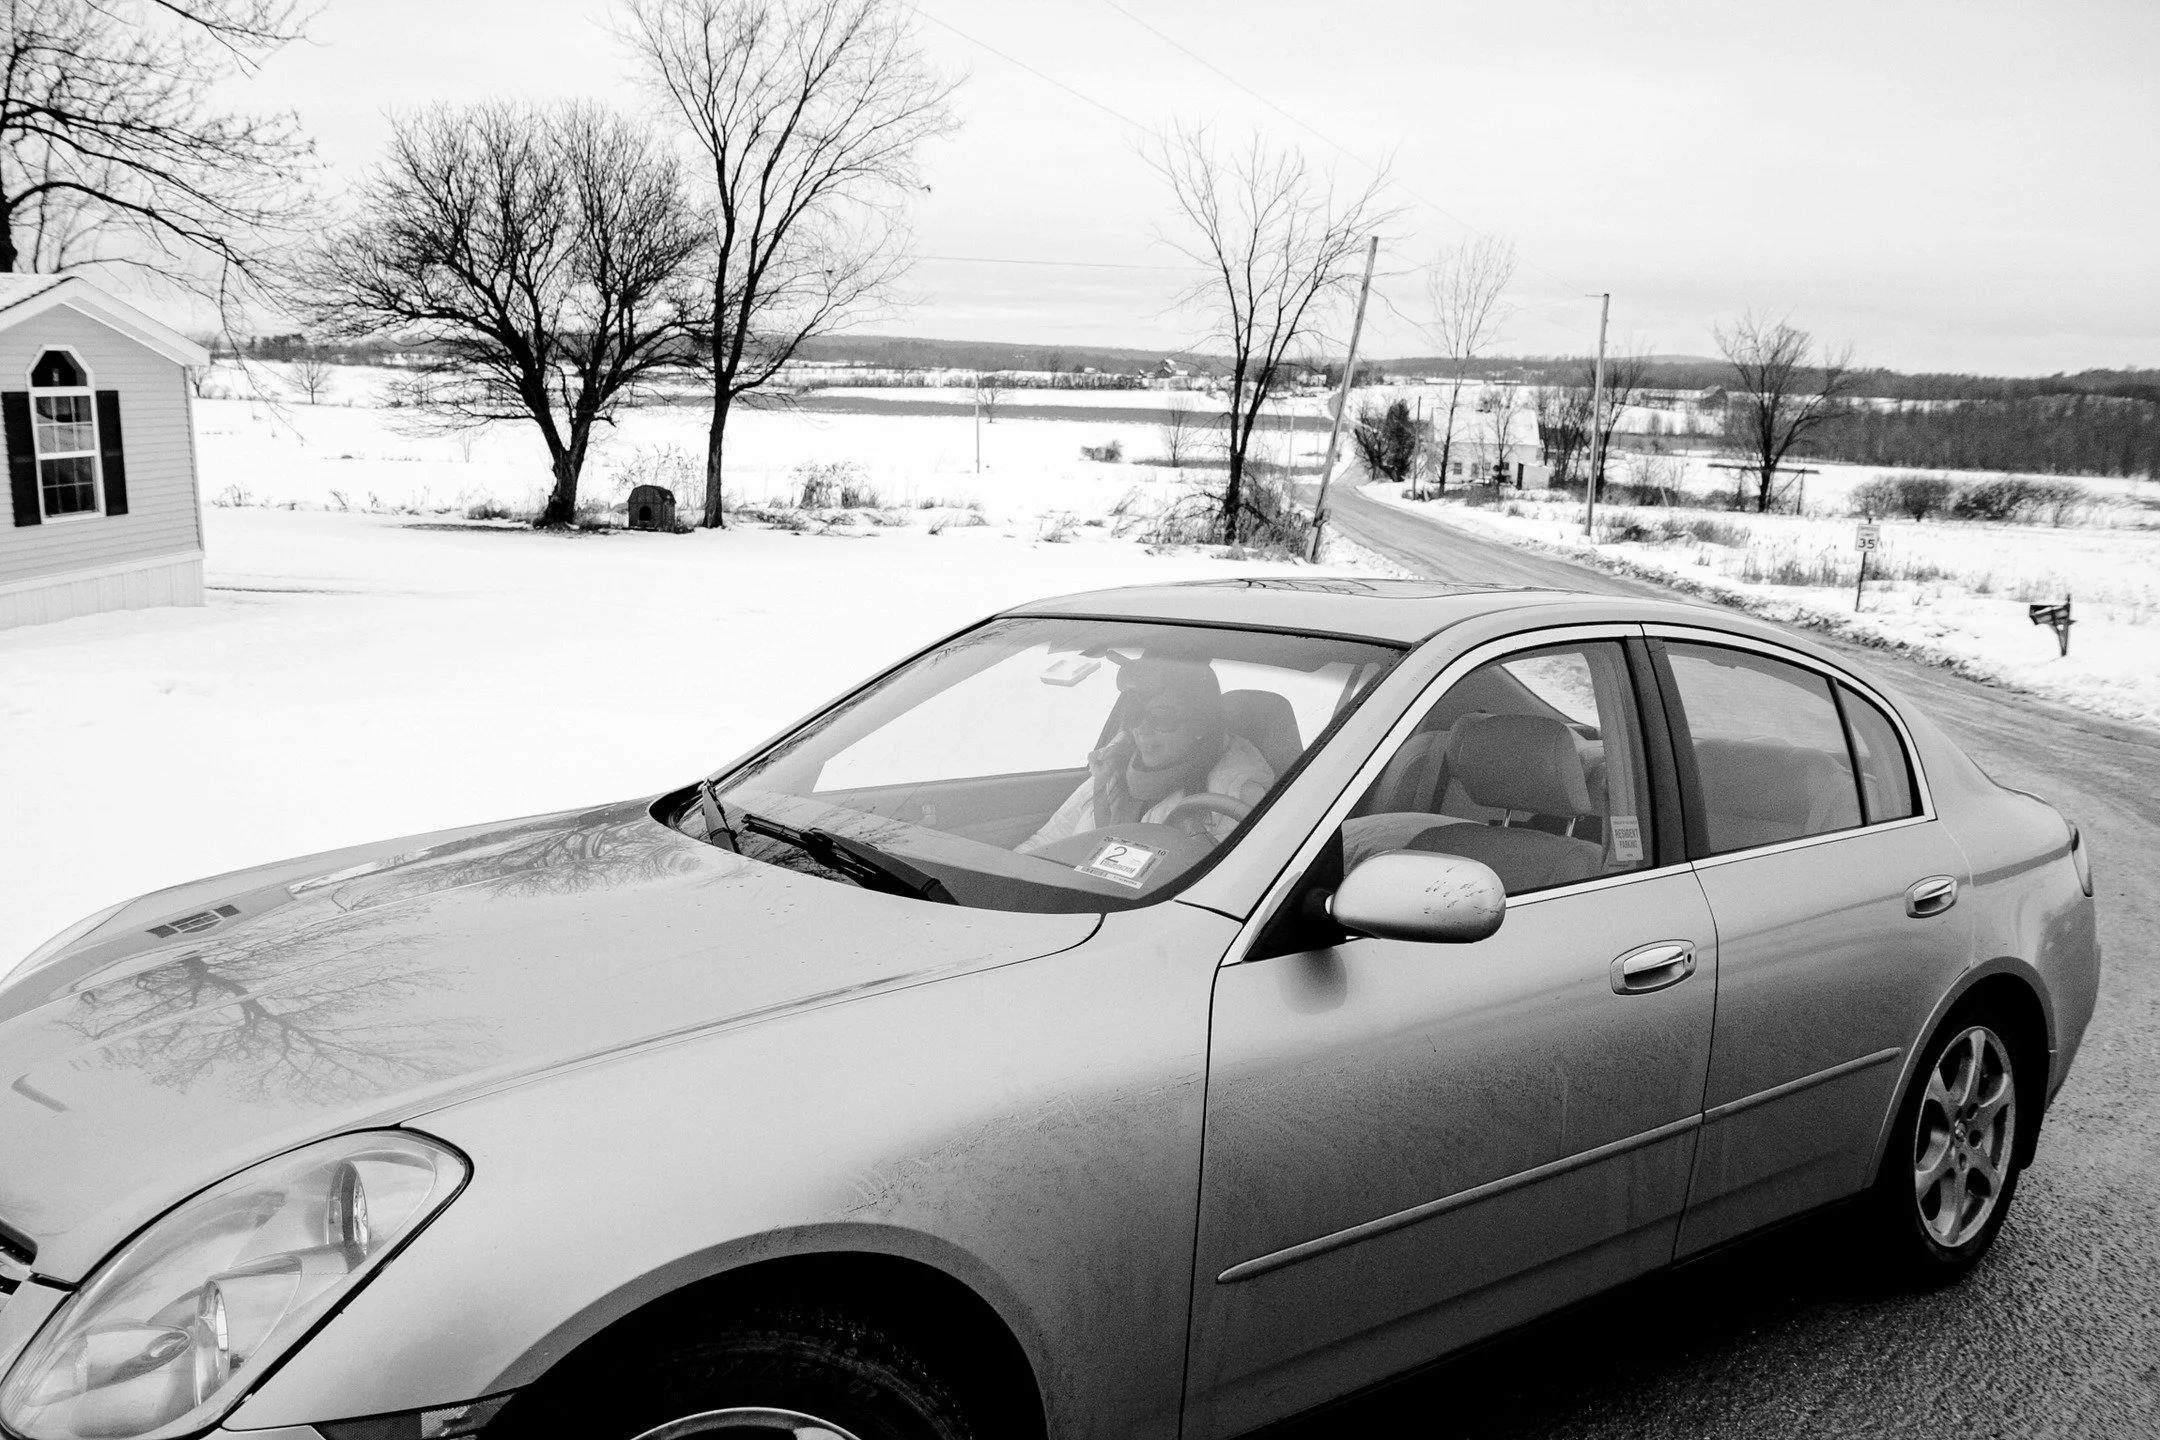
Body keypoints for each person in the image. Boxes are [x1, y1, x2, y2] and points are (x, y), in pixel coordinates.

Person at [1019, 657, 1276, 853]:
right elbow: (1044, 843)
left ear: (1199, 724)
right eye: (1134, 714)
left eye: (1161, 716)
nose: (1141, 730)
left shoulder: (1234, 795)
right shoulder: (1112, 768)